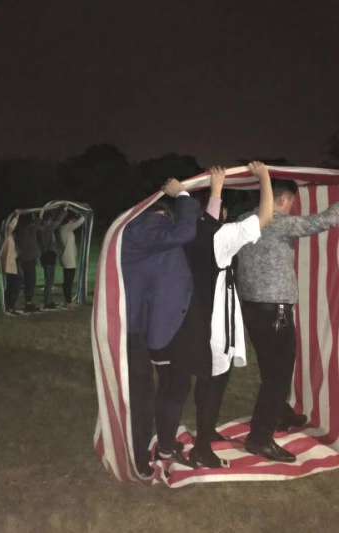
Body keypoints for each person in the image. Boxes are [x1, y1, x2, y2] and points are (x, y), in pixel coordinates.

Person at [151, 162, 273, 469]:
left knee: (188, 385)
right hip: (213, 325)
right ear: (220, 212)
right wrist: (264, 178)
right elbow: (265, 216)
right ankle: (202, 447)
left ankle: (181, 441)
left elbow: (203, 223)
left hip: (187, 322)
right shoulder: (221, 236)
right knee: (212, 385)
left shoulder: (185, 235)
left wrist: (203, 194)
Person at [237, 178, 339, 462]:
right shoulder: (277, 222)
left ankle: (280, 413)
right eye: (292, 201)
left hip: (252, 308)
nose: (293, 206)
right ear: (283, 199)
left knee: (270, 367)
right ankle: (259, 438)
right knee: (279, 374)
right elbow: (323, 221)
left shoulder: (244, 220)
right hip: (275, 310)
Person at [122, 178, 200, 475]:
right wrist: (183, 195)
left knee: (156, 389)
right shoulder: (145, 226)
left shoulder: (144, 231)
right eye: (166, 216)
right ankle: (139, 458)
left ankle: (155, 446)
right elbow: (184, 231)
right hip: (137, 327)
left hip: (143, 324)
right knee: (141, 396)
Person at [38, 207, 68, 309]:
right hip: (48, 256)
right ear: (47, 220)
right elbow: (58, 221)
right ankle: (47, 302)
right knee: (49, 281)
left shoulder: (42, 228)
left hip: (47, 256)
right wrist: (64, 211)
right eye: (50, 220)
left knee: (49, 281)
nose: (51, 222)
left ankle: (49, 301)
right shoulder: (46, 229)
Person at [57, 212, 85, 309]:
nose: (74, 221)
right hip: (68, 259)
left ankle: (67, 300)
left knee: (68, 280)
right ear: (69, 220)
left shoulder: (65, 228)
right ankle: (68, 301)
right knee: (68, 281)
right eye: (73, 220)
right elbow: (80, 222)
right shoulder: (66, 228)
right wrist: (84, 215)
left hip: (68, 258)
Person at [0, 211, 23, 316]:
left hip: (10, 265)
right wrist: (17, 216)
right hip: (9, 266)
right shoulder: (7, 235)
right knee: (14, 286)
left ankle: (9, 306)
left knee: (11, 286)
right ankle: (10, 306)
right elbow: (11, 226)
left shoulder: (8, 237)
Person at [16, 213, 41, 313]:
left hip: (25, 259)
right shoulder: (28, 230)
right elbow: (37, 223)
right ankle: (28, 303)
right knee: (30, 281)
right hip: (28, 260)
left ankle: (28, 302)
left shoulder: (20, 230)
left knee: (28, 281)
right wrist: (39, 216)